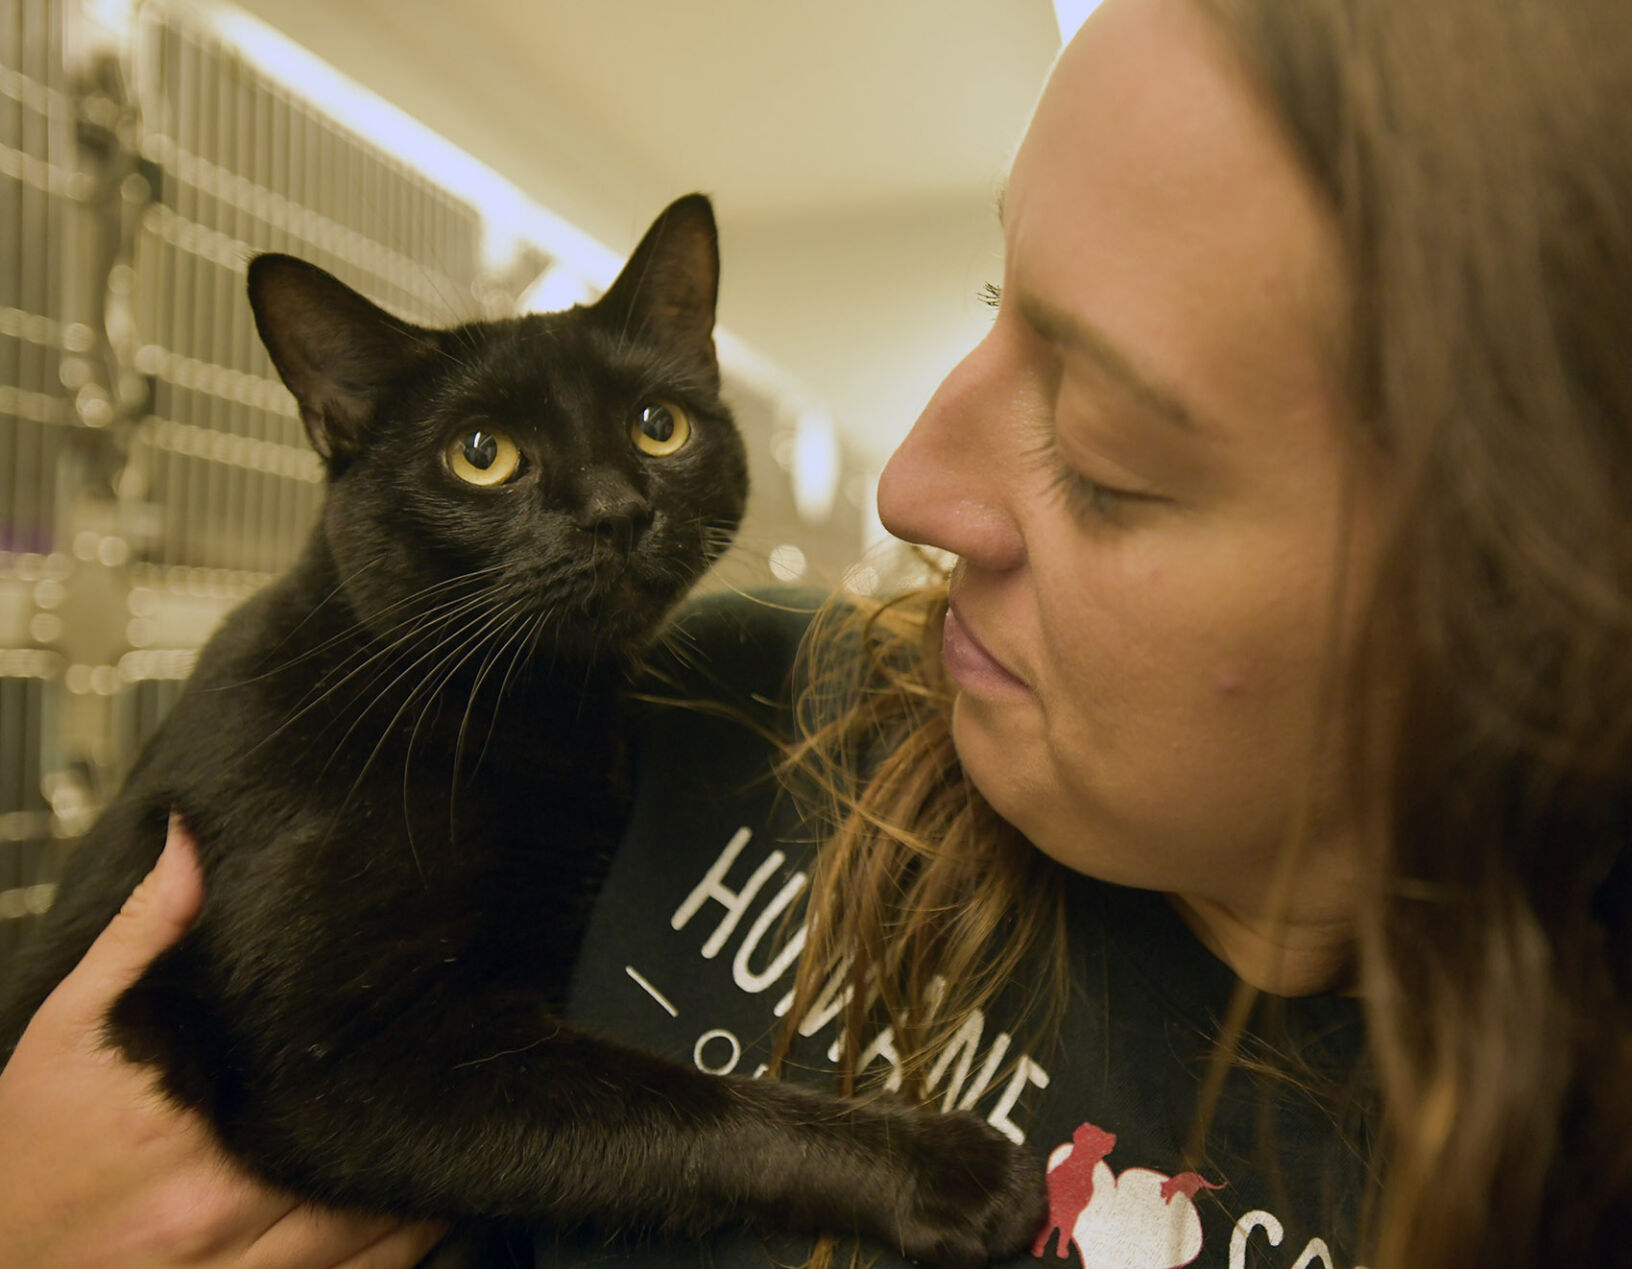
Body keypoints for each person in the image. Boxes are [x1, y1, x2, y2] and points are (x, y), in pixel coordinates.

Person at [3, 0, 1628, 1265]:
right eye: (994, 307)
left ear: (1516, 616)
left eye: (1114, 456)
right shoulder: (705, 712)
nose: (911, 487)